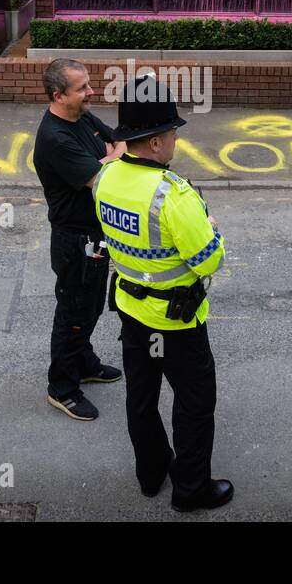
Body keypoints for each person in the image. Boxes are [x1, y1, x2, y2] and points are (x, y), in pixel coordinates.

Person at [91, 76, 232, 512]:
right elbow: (210, 260)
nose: (175, 138)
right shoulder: (174, 195)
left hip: (132, 311)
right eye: (172, 131)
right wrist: (212, 227)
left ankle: (151, 475)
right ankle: (190, 491)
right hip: (177, 322)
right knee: (194, 405)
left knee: (141, 397)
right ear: (153, 142)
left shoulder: (107, 176)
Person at [34, 58, 127, 421]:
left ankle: (84, 362)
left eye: (89, 84)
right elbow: (100, 180)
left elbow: (117, 141)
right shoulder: (54, 137)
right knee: (72, 312)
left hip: (96, 234)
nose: (91, 92)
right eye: (82, 88)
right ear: (58, 95)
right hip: (74, 241)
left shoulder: (82, 118)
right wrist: (111, 159)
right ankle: (62, 387)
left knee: (89, 306)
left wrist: (111, 155)